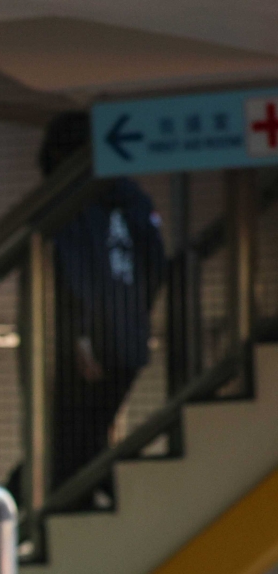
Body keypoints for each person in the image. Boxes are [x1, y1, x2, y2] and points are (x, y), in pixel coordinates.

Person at [40, 110, 167, 507]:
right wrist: (135, 315)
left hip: (89, 345)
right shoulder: (133, 198)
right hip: (128, 341)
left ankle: (114, 504)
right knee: (87, 435)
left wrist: (81, 337)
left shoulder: (71, 201)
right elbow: (156, 265)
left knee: (71, 440)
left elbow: (73, 273)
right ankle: (110, 504)